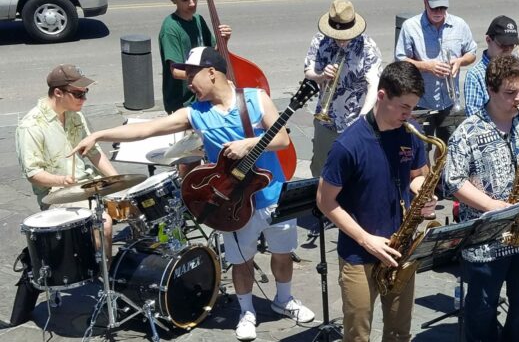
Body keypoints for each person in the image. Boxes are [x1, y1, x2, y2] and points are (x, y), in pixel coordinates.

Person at [71, 47, 315, 341]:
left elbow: (281, 139)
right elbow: (147, 130)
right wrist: (99, 135)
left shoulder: (255, 98)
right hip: (232, 201)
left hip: (272, 193)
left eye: (191, 75)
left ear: (212, 73)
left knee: (283, 251)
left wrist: (248, 144)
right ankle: (247, 311)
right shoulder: (195, 113)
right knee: (241, 260)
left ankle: (284, 299)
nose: (187, 82)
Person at [444, 54, 519, 341]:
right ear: (491, 90)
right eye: (511, 93)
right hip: (488, 238)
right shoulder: (468, 132)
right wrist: (494, 207)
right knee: (481, 309)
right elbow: (453, 180)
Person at [316, 61, 437, 342]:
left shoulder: (410, 131)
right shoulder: (348, 145)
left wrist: (424, 194)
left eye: (413, 108)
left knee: (399, 333)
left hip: (399, 249)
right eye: (404, 107)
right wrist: (366, 239)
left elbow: (418, 176)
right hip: (360, 253)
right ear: (382, 96)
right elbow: (325, 201)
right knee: (358, 335)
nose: (409, 115)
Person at [16, 64, 117, 258]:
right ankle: (103, 279)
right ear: (58, 93)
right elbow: (33, 174)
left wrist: (119, 181)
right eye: (78, 94)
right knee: (103, 223)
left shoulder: (75, 114)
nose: (84, 99)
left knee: (138, 203)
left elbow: (93, 152)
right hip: (57, 194)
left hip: (87, 184)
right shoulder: (31, 126)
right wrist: (61, 180)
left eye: (85, 93)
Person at [305, 0, 382, 177]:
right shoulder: (320, 40)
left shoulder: (367, 46)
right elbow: (308, 70)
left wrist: (364, 117)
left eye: (345, 35)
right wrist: (321, 75)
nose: (340, 40)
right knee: (320, 168)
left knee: (354, 169)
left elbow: (374, 84)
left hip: (355, 119)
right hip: (326, 119)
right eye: (337, 35)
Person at [395, 0, 477, 143]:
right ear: (425, 2)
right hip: (420, 103)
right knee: (420, 152)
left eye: (443, 8)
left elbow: (472, 53)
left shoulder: (459, 25)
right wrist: (426, 66)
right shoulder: (410, 27)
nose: (439, 12)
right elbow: (400, 60)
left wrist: (460, 61)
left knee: (452, 149)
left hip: (449, 104)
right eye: (434, 8)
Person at [159, 0, 232, 114]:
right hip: (182, 102)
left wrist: (224, 41)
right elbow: (175, 72)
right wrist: (203, 77)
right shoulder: (170, 28)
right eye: (185, 0)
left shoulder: (198, 20)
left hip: (202, 95)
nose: (192, 4)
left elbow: (212, 54)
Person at [463, 15, 519, 116]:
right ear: (488, 40)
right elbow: (474, 115)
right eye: (503, 45)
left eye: (512, 45)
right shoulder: (475, 75)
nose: (508, 50)